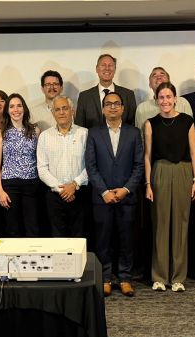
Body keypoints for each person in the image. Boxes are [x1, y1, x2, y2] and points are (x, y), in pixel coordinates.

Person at [85, 91, 143, 297]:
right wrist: (103, 191)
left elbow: (138, 166)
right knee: (103, 240)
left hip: (127, 196)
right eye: (108, 104)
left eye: (116, 104)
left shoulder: (134, 133)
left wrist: (126, 189)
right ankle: (106, 278)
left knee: (126, 239)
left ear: (123, 108)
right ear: (103, 109)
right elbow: (91, 166)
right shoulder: (94, 133)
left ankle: (125, 278)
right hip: (102, 198)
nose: (112, 107)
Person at [144, 82, 195, 292]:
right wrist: (148, 183)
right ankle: (159, 276)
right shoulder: (150, 123)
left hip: (184, 172)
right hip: (160, 172)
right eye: (161, 97)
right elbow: (147, 156)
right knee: (160, 224)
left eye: (169, 96)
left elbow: (194, 152)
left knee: (181, 224)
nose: (165, 101)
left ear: (175, 98)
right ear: (157, 100)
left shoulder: (187, 121)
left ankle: (178, 277)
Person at [36, 95, 88, 237]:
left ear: (72, 111)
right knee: (57, 238)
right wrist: (61, 189)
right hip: (54, 196)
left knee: (79, 237)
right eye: (57, 109)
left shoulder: (85, 134)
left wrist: (74, 184)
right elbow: (42, 168)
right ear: (53, 113)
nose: (61, 112)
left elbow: (91, 165)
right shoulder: (45, 136)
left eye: (65, 108)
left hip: (79, 193)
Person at [0, 93, 40, 237]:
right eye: (12, 106)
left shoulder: (35, 131)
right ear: (7, 110)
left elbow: (40, 159)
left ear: (24, 109)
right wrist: (0, 191)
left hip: (32, 184)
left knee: (33, 227)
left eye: (19, 105)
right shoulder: (1, 133)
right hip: (10, 185)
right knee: (13, 229)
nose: (16, 109)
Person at [75, 54, 137, 128]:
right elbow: (79, 128)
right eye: (103, 65)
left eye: (110, 65)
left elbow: (132, 127)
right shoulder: (84, 97)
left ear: (115, 69)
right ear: (97, 69)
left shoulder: (128, 95)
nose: (107, 68)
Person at [135, 66, 193, 132]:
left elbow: (190, 131)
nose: (158, 77)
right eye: (154, 75)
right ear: (150, 85)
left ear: (169, 81)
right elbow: (140, 136)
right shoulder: (141, 108)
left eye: (162, 74)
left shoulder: (183, 103)